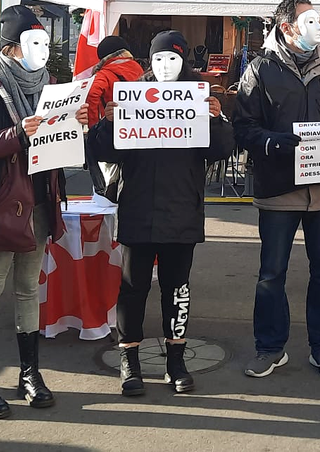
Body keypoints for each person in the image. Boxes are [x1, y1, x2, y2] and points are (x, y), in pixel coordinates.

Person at [90, 30, 234, 397]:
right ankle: (129, 360)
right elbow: (103, 151)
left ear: (184, 61)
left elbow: (221, 151)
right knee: (133, 287)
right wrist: (108, 121)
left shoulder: (198, 98)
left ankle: (176, 360)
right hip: (138, 209)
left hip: (182, 211)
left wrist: (217, 119)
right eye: (157, 59)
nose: (165, 66)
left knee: (177, 288)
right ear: (148, 62)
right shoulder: (134, 97)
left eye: (172, 58)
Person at [0, 6, 83, 418]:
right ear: (11, 48)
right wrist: (18, 133)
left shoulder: (50, 85)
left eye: (46, 42)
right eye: (34, 43)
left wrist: (73, 121)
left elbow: (56, 141)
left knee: (30, 288)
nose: (43, 51)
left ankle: (30, 372)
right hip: (2, 205)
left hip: (41, 203)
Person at [235, 0, 320, 380]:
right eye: (309, 20)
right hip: (279, 190)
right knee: (272, 273)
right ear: (286, 28)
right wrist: (272, 142)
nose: (317, 27)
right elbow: (243, 127)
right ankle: (270, 348)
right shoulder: (259, 69)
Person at [84, 35, 145, 200]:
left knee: (106, 191)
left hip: (111, 133)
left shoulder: (104, 74)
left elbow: (91, 95)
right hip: (138, 134)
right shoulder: (138, 69)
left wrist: (93, 127)